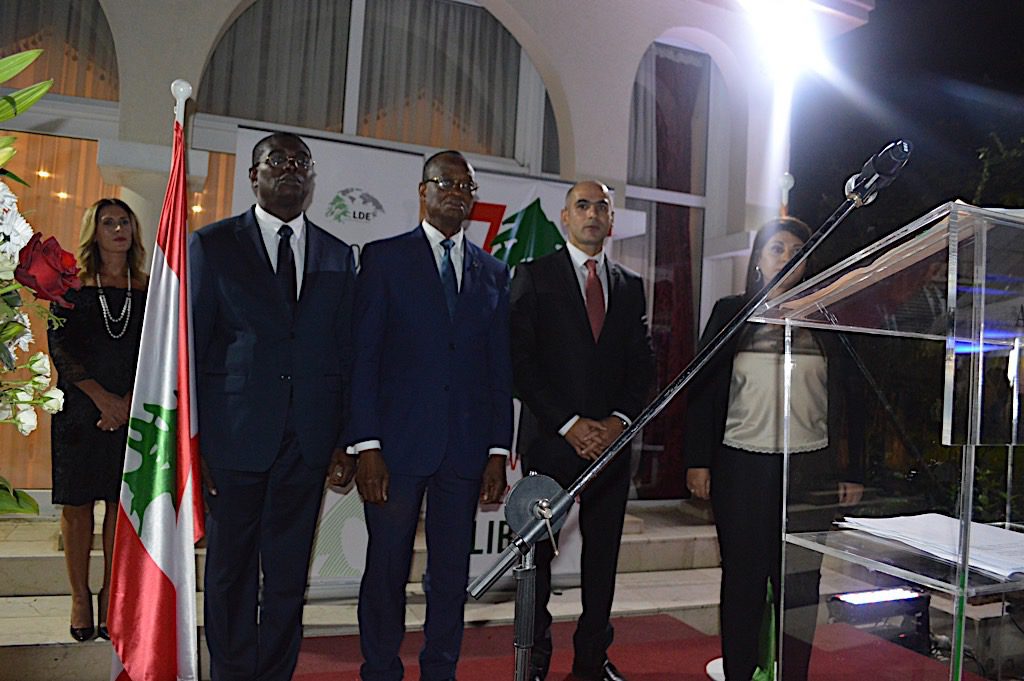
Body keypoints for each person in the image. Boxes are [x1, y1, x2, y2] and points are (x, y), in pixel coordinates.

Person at [190, 132, 356, 681]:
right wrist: (194, 443)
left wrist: (344, 440)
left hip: (307, 442)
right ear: (253, 176)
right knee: (230, 572)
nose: (290, 170)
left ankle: (275, 673)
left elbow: (346, 352)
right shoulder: (212, 245)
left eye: (300, 162)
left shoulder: (337, 254)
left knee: (287, 575)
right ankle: (232, 672)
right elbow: (192, 350)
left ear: (311, 177)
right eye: (276, 161)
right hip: (233, 439)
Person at [346, 149, 512, 681]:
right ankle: (380, 669)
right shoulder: (384, 258)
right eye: (446, 183)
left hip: (464, 450)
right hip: (394, 449)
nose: (457, 193)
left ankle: (441, 669)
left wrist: (497, 450)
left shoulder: (493, 272)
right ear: (423, 191)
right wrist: (366, 444)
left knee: (450, 574)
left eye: (467, 186)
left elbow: (499, 368)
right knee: (386, 568)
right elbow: (363, 358)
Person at [684, 216, 864, 681]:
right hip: (740, 465)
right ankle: (740, 672)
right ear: (759, 260)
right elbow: (701, 391)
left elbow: (852, 398)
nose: (786, 258)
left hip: (810, 470)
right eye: (776, 249)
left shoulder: (826, 316)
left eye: (796, 252)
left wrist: (853, 469)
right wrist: (698, 460)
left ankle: (793, 674)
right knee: (743, 580)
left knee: (800, 585)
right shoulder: (731, 313)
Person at [511, 180, 655, 681]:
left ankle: (592, 660)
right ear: (565, 217)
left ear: (612, 221)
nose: (592, 214)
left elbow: (642, 366)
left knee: (603, 557)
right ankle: (535, 656)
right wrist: (569, 424)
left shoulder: (630, 285)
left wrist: (618, 422)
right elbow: (521, 363)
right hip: (551, 442)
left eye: (602, 207)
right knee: (537, 558)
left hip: (611, 447)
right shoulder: (533, 276)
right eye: (583, 205)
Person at [48, 198, 148, 642]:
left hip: (130, 407)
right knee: (77, 507)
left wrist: (124, 402)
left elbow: (156, 349)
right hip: (80, 409)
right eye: (109, 222)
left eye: (125, 221)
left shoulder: (149, 288)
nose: (118, 229)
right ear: (94, 230)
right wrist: (101, 399)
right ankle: (79, 597)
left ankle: (111, 595)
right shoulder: (69, 286)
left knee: (118, 506)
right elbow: (59, 347)